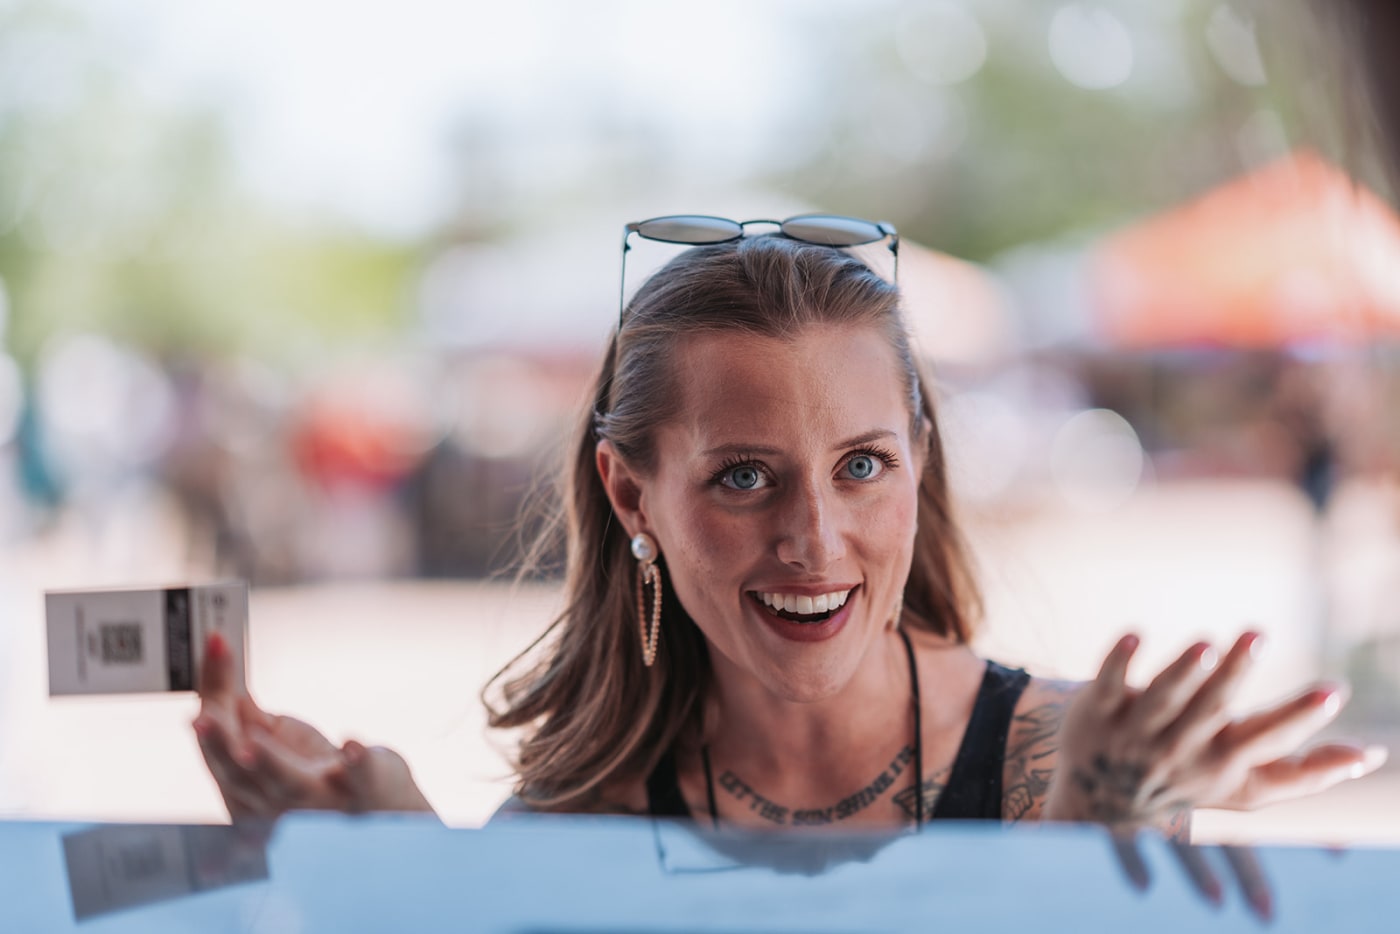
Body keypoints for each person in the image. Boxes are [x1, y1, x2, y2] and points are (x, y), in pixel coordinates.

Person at [192, 220, 1387, 835]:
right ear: (628, 496)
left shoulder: (1061, 760)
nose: (815, 537)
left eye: (861, 464)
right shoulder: (574, 818)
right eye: (743, 479)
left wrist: (1092, 839)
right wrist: (411, 881)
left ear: (918, 460)